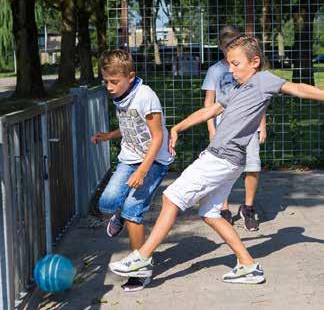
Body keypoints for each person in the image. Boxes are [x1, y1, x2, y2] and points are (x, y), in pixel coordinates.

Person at [108, 35, 324, 285]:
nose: (231, 70)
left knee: (171, 197)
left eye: (236, 64)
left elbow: (297, 88)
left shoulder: (263, 80)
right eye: (229, 64)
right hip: (230, 161)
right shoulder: (235, 89)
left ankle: (142, 257)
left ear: (255, 62)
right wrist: (177, 128)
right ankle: (247, 265)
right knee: (210, 213)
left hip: (221, 158)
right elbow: (209, 110)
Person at [91, 49, 173, 291]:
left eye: (114, 82)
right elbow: (131, 127)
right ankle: (117, 215)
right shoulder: (122, 96)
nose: (109, 87)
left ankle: (140, 267)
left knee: (132, 210)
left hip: (154, 161)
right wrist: (109, 135)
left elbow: (157, 137)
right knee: (106, 203)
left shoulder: (145, 96)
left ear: (130, 76)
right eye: (106, 81)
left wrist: (142, 171)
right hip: (129, 158)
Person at [202, 25, 265, 231]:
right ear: (220, 45)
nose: (230, 46)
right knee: (224, 168)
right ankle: (224, 208)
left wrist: (262, 125)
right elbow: (209, 102)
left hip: (250, 127)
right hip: (225, 129)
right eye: (227, 43)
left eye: (235, 42)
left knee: (253, 165)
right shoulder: (215, 70)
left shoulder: (249, 69)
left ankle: (248, 207)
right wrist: (211, 128)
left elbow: (259, 99)